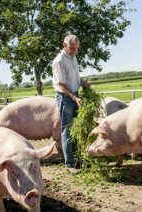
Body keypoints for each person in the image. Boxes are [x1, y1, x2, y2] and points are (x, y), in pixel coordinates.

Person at [52, 34, 89, 174]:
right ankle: (70, 164)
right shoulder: (59, 61)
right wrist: (74, 98)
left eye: (76, 49)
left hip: (75, 95)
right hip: (66, 98)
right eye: (72, 48)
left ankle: (78, 159)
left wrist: (82, 83)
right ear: (64, 45)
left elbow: (74, 79)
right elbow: (61, 84)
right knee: (67, 130)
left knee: (77, 129)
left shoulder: (73, 58)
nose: (74, 51)